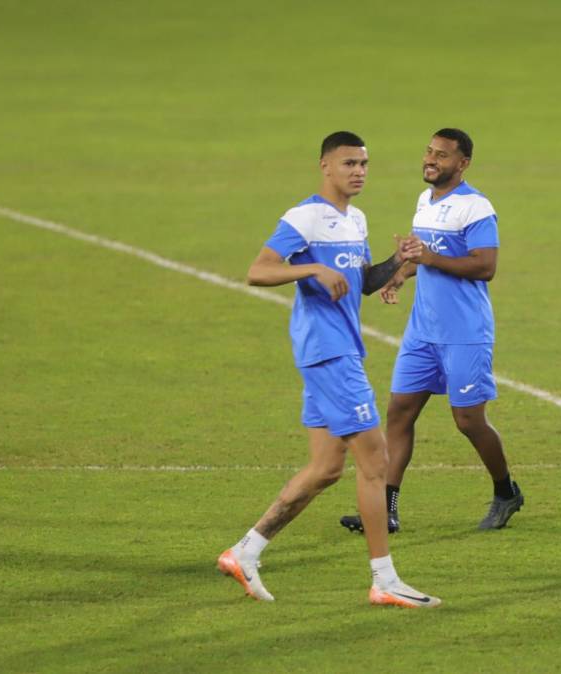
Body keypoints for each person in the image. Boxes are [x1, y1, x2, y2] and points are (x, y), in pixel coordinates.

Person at [216, 131, 440, 608]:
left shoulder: (354, 219)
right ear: (325, 167)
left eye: (363, 163)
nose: (358, 171)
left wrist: (396, 263)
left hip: (339, 351)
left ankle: (244, 551)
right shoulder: (306, 217)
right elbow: (259, 270)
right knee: (376, 462)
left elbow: (357, 284)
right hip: (328, 352)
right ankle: (384, 579)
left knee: (325, 468)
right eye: (348, 164)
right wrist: (310, 270)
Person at [339, 128, 523, 534]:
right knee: (400, 412)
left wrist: (431, 258)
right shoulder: (426, 200)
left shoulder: (475, 208)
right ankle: (386, 510)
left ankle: (506, 492)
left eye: (441, 155)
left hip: (465, 332)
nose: (431, 159)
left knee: (468, 421)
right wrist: (402, 275)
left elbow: (485, 266)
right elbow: (422, 255)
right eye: (429, 151)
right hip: (423, 331)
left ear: (462, 163)